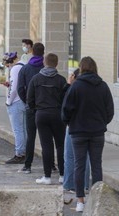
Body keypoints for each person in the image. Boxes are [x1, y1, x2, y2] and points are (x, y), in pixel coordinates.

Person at [62, 56, 114, 212]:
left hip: (78, 132)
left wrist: (70, 123)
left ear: (82, 68)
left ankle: (80, 201)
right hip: (97, 132)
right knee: (96, 165)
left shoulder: (76, 87)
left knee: (80, 165)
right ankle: (96, 198)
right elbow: (109, 111)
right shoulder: (103, 86)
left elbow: (66, 110)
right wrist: (102, 123)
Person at [27, 53, 66, 185]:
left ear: (44, 62)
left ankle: (47, 176)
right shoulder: (61, 80)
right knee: (60, 145)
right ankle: (62, 175)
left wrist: (35, 109)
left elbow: (29, 99)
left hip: (41, 114)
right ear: (57, 63)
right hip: (57, 114)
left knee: (46, 145)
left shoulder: (36, 79)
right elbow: (65, 99)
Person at [17, 42, 45, 174]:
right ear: (43, 53)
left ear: (32, 52)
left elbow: (19, 88)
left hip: (31, 107)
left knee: (31, 137)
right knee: (46, 138)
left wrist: (27, 101)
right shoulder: (45, 68)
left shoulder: (25, 69)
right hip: (44, 107)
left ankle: (27, 165)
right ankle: (50, 165)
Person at [63, 68, 90, 193]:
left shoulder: (74, 89)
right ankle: (84, 185)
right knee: (86, 158)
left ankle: (70, 184)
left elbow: (65, 105)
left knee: (70, 156)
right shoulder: (95, 88)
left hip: (74, 126)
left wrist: (69, 84)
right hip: (91, 127)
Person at [1, 52, 27, 164]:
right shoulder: (24, 66)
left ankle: (19, 153)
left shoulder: (15, 69)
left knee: (18, 130)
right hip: (24, 101)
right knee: (24, 130)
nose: (7, 67)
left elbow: (15, 88)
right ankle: (24, 151)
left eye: (7, 65)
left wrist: (8, 101)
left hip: (16, 102)